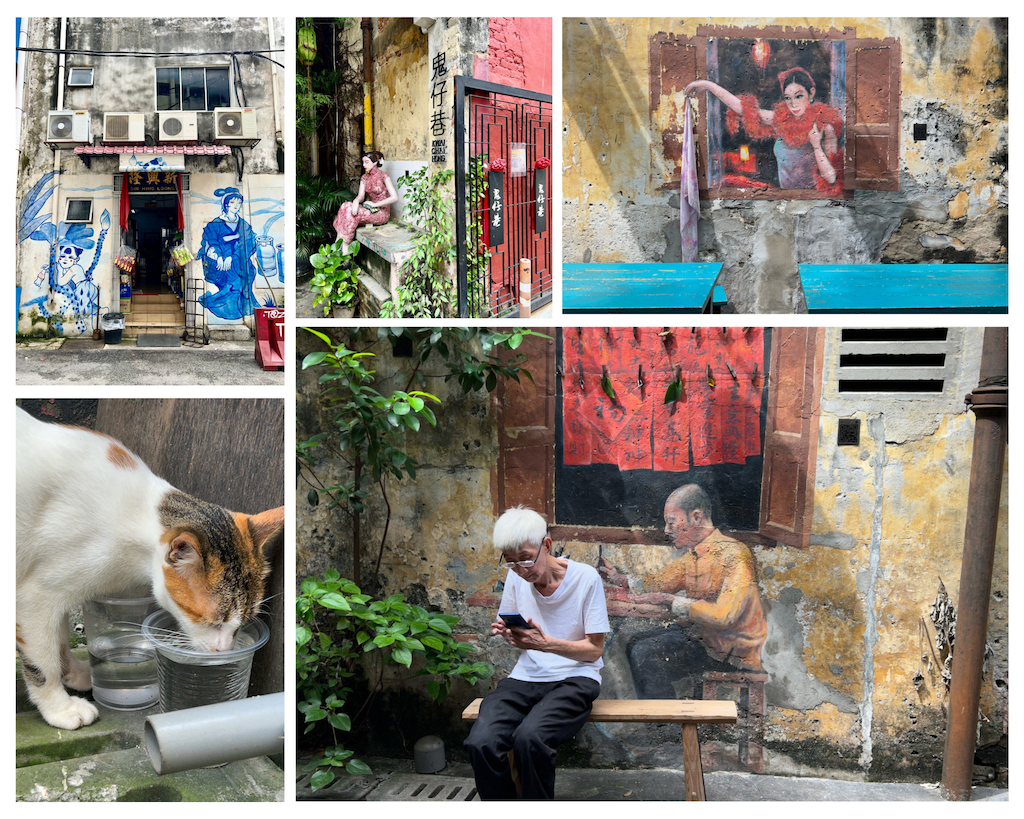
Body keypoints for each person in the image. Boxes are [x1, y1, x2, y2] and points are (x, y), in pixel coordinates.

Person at [465, 507, 609, 800]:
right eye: (511, 562)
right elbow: (517, 630)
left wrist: (546, 644)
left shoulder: (586, 579)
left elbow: (594, 651)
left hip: (576, 678)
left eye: (527, 558)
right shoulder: (518, 577)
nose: (521, 569)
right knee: (481, 742)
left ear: (546, 545)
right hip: (526, 676)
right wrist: (511, 635)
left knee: (530, 739)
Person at [599, 484, 766, 698]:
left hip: (731, 652)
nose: (667, 530)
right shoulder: (693, 555)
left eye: (671, 522)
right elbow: (659, 582)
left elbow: (725, 616)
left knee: (645, 652)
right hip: (704, 640)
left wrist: (670, 600)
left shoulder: (735, 554)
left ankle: (665, 724)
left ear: (696, 517)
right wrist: (620, 579)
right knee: (634, 644)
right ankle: (664, 719)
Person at [686, 66, 843, 195]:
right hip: (786, 200)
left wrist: (816, 146)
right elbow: (742, 108)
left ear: (811, 93)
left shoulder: (825, 126)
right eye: (788, 98)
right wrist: (707, 85)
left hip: (814, 204)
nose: (793, 104)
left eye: (799, 96)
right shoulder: (781, 121)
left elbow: (832, 179)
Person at [199, 187, 259, 320]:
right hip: (222, 265)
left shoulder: (243, 225)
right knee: (232, 283)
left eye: (238, 203)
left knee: (247, 276)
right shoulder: (215, 224)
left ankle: (244, 308)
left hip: (240, 262)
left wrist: (233, 257)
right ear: (226, 204)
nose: (236, 206)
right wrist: (219, 256)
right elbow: (211, 242)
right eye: (233, 202)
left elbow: (248, 243)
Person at [333, 150, 398, 253]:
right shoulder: (364, 177)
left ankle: (344, 251)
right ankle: (338, 244)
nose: (364, 165)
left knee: (352, 215)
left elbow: (394, 197)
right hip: (370, 209)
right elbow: (360, 196)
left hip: (381, 213)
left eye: (366, 162)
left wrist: (376, 204)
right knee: (346, 206)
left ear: (375, 162)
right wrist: (355, 202)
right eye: (363, 162)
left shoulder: (384, 176)